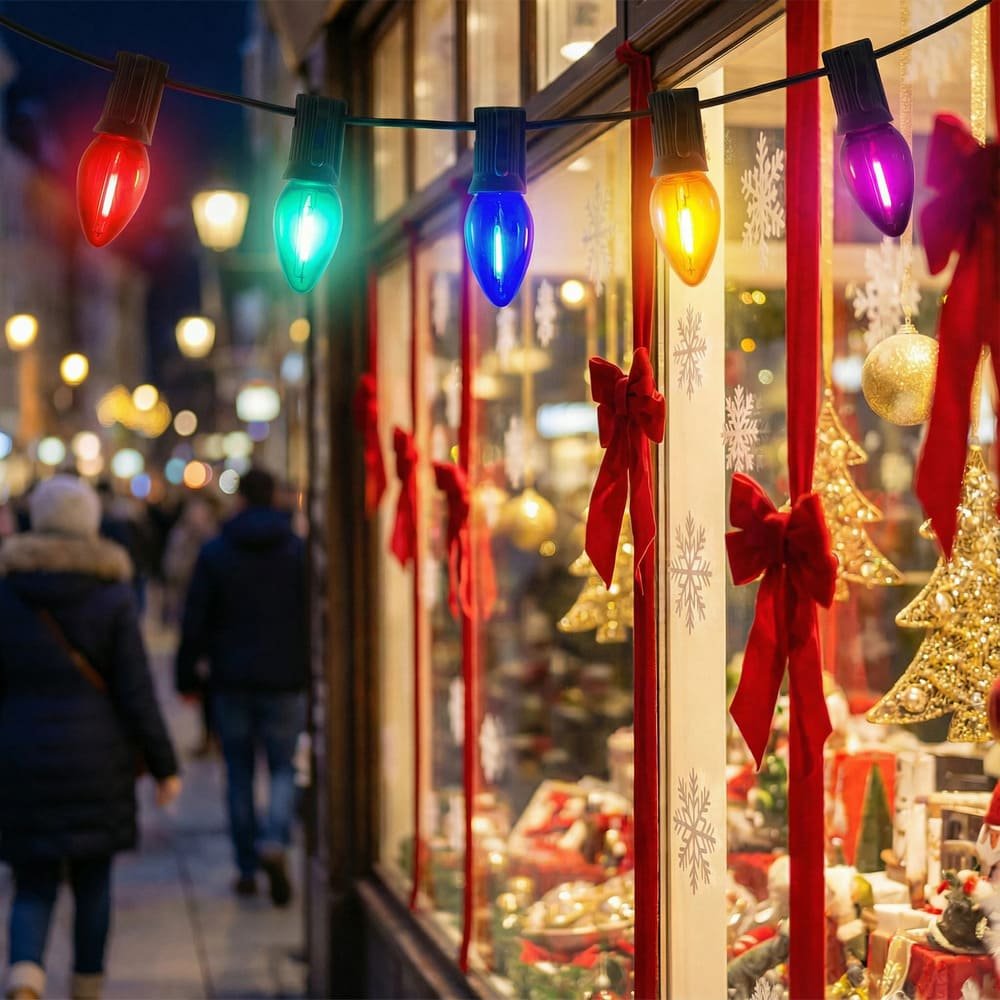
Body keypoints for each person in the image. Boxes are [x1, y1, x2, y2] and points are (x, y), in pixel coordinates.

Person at [0, 476, 181, 1000]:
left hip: (22, 752)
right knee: (93, 879)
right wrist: (164, 764)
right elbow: (136, 690)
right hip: (98, 757)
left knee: (32, 878)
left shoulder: (9, 591)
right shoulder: (111, 593)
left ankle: (25, 975)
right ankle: (85, 985)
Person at [175, 467, 307, 906]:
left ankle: (248, 866)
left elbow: (195, 619)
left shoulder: (216, 552)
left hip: (231, 678)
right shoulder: (296, 551)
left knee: (239, 772)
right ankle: (275, 839)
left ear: (241, 501)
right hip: (286, 677)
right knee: (284, 766)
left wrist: (186, 672)